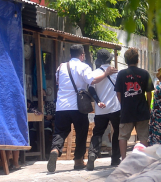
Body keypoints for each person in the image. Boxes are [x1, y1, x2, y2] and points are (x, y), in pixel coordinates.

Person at [48, 44, 116, 172]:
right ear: (82, 55)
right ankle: (78, 161)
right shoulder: (84, 66)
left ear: (70, 55)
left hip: (61, 106)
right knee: (81, 133)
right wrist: (106, 73)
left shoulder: (61, 67)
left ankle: (55, 150)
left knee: (60, 132)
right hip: (78, 106)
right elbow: (92, 81)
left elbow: (58, 83)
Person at [115, 48, 154, 160]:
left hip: (127, 110)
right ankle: (143, 159)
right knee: (143, 136)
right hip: (142, 110)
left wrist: (124, 105)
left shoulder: (121, 74)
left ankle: (123, 160)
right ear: (138, 60)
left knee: (123, 136)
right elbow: (149, 93)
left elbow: (118, 94)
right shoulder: (144, 73)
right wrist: (148, 107)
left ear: (126, 60)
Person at [86, 49, 122, 170]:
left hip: (100, 110)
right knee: (117, 132)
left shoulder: (94, 73)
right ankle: (115, 159)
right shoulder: (117, 73)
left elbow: (90, 89)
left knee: (97, 133)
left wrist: (98, 101)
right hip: (115, 108)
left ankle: (92, 154)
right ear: (110, 60)